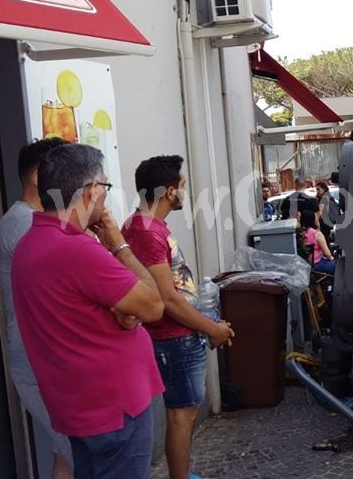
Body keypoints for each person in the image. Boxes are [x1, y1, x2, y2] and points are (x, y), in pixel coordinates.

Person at [13, 144, 164, 479]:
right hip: (114, 407)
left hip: (80, 406)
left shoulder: (31, 242)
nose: (106, 198)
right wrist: (119, 244)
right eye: (105, 187)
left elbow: (98, 309)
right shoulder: (76, 250)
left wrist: (123, 311)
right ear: (91, 191)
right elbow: (153, 305)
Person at [123, 155, 235, 479]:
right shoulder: (145, 230)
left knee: (184, 412)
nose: (186, 192)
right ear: (170, 191)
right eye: (183, 186)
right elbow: (167, 299)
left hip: (179, 335)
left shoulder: (146, 226)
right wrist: (211, 328)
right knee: (181, 416)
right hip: (172, 339)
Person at [0, 138, 74, 479]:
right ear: (38, 176)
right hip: (38, 363)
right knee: (81, 454)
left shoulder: (33, 221)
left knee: (65, 453)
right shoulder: (24, 224)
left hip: (45, 360)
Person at [300, 209, 336, 274]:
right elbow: (327, 254)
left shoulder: (300, 233)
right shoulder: (316, 234)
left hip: (304, 264)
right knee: (338, 266)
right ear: (313, 220)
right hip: (316, 264)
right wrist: (332, 259)